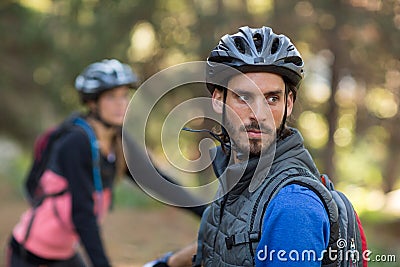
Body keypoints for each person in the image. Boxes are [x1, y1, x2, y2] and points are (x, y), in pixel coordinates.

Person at [145, 26, 332, 267]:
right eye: (243, 97)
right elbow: (224, 243)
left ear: (289, 103)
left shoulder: (293, 207)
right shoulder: (237, 174)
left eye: (272, 98)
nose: (258, 114)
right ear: (218, 100)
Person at [6, 59, 205, 267]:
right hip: (30, 255)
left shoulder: (118, 140)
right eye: (111, 97)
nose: (121, 104)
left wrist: (209, 212)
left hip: (64, 254)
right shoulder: (75, 142)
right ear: (93, 103)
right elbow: (82, 216)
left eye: (124, 96)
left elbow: (157, 182)